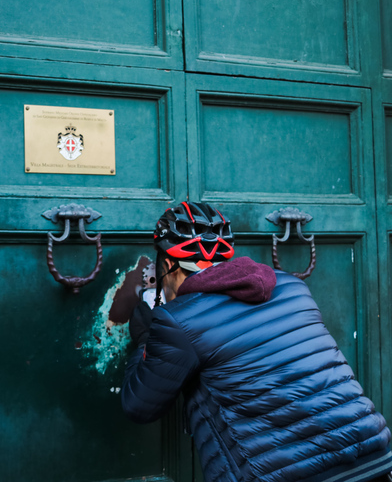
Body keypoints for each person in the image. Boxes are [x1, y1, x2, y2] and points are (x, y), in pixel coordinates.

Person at [121, 202, 392, 482]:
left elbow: (139, 406)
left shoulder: (177, 321)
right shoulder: (292, 287)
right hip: (372, 458)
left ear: (167, 265)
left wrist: (146, 339)